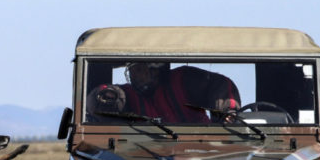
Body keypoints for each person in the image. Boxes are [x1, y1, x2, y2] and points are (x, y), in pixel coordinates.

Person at [87, 62, 241, 123]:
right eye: (132, 70)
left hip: (199, 145)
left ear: (155, 69)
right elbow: (101, 98)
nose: (135, 75)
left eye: (140, 69)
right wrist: (105, 96)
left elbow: (220, 85)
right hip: (149, 152)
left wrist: (226, 112)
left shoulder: (183, 79)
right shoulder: (127, 94)